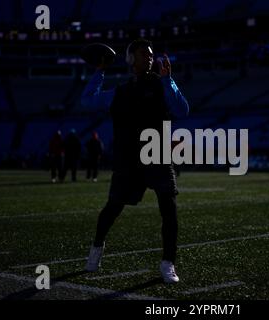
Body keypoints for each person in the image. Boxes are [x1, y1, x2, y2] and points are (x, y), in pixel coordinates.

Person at [81, 39, 189, 283]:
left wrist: (168, 80)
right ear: (131, 60)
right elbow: (87, 101)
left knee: (169, 210)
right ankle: (96, 248)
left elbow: (182, 110)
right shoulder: (121, 92)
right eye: (143, 54)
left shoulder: (162, 86)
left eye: (151, 55)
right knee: (112, 209)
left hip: (158, 156)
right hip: (128, 160)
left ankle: (168, 263)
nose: (149, 58)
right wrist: (99, 71)